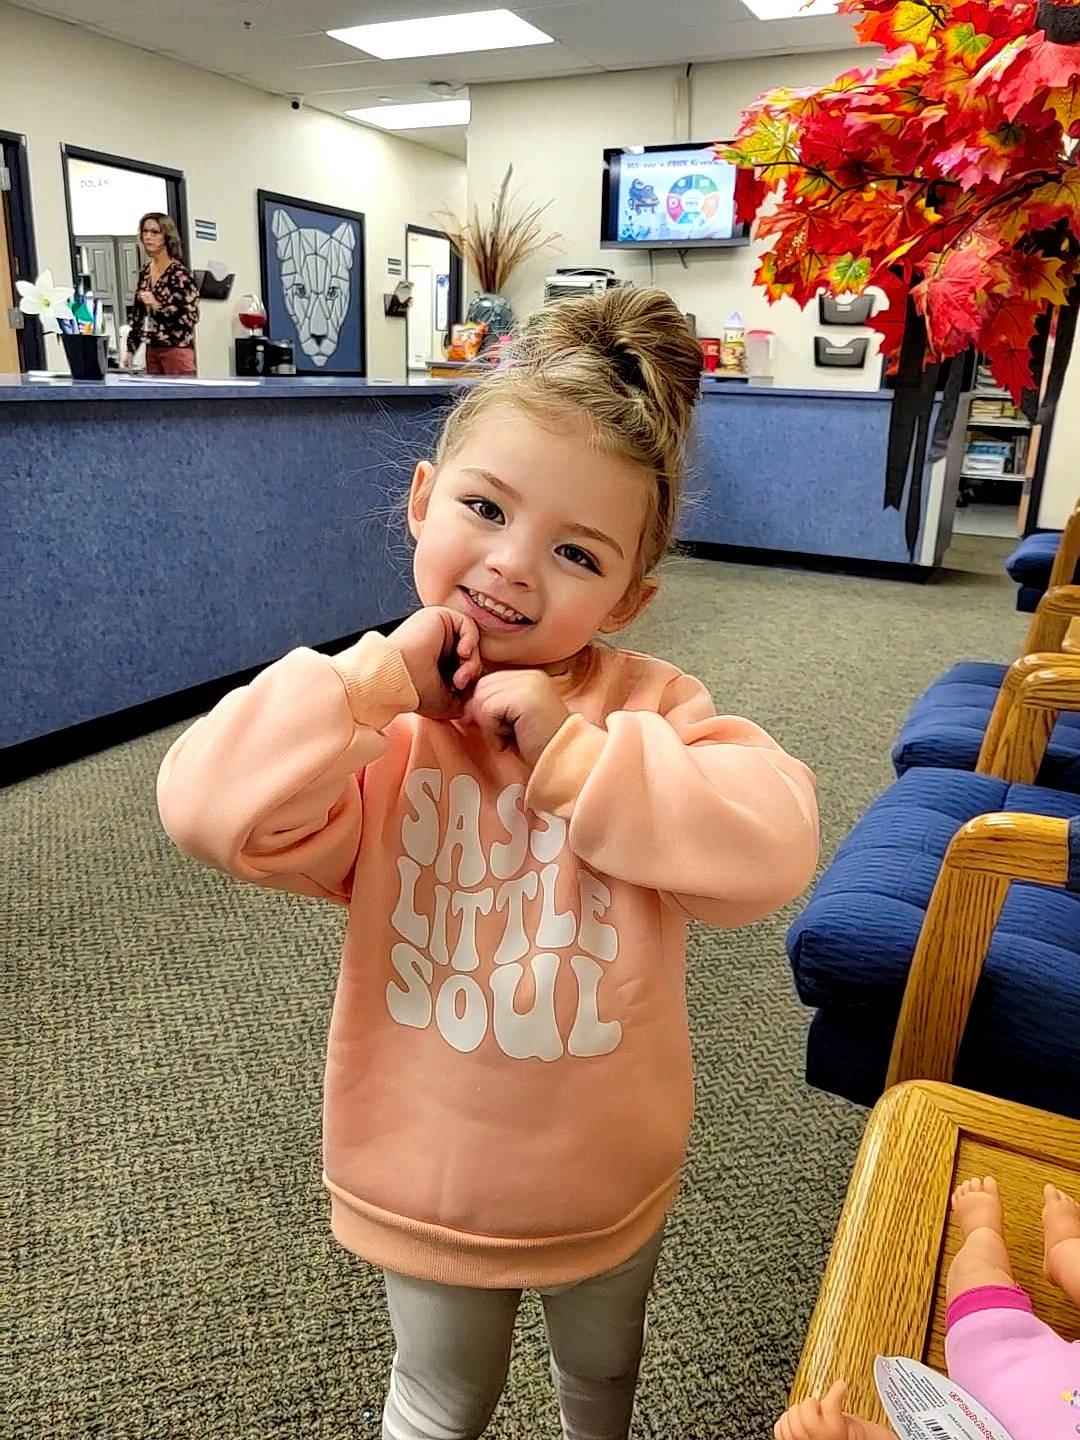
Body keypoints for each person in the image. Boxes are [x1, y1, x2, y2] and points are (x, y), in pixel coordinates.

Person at [156, 287, 820, 1440]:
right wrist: (372, 682)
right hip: (430, 1168)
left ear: (630, 594)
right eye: (484, 507)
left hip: (608, 1164)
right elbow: (207, 810)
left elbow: (772, 848)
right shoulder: (376, 718)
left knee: (603, 1380)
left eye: (575, 550)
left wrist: (576, 756)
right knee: (436, 1398)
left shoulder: (648, 708)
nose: (514, 567)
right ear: (422, 504)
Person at [775, 1177, 1080, 1440]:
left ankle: (982, 1232)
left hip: (996, 1362)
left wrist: (849, 1435)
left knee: (974, 1272)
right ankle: (1064, 1250)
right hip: (1009, 1356)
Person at [122, 211, 199, 376]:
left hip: (176, 349)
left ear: (166, 236)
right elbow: (138, 316)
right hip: (152, 348)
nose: (148, 237)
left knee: (179, 399)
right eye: (145, 231)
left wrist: (158, 306)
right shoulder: (145, 273)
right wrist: (130, 349)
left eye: (155, 232)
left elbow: (190, 318)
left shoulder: (180, 274)